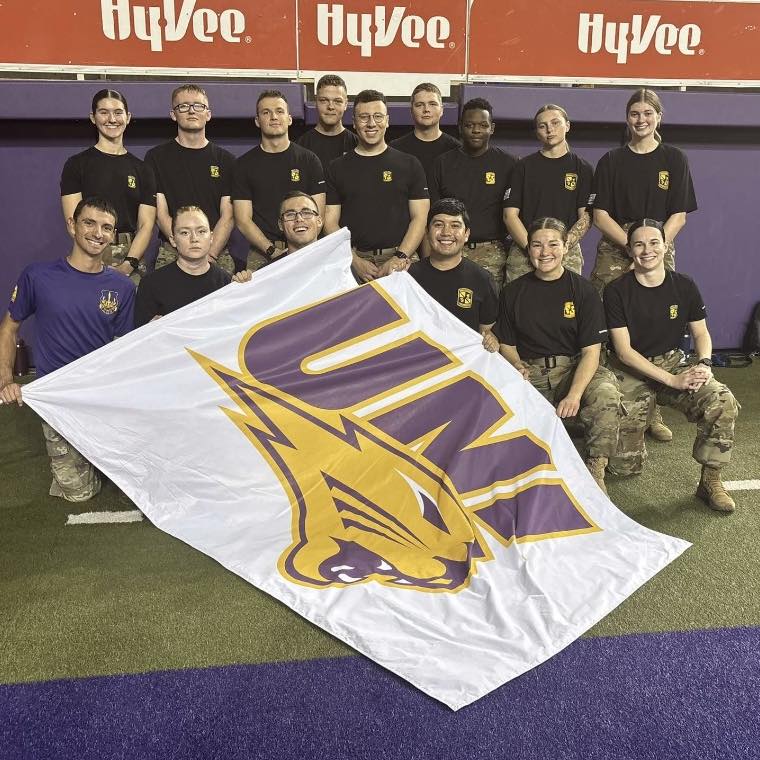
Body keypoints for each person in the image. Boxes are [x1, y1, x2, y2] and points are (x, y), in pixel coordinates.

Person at [0, 197, 135, 501]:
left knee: (128, 486)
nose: (98, 233)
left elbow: (122, 348)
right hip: (57, 399)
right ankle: (80, 466)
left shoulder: (123, 287)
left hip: (101, 398)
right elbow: (8, 328)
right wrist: (6, 380)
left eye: (106, 228)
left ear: (113, 236)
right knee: (78, 494)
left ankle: (97, 457)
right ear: (72, 225)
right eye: (89, 223)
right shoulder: (38, 276)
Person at [604, 220, 739, 512]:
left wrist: (703, 363)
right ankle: (647, 412)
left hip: (672, 361)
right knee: (624, 468)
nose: (647, 250)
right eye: (638, 244)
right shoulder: (616, 291)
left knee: (722, 400)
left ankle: (710, 482)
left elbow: (701, 333)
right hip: (631, 370)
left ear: (666, 246)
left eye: (654, 242)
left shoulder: (685, 285)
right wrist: (671, 381)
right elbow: (624, 352)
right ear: (629, 250)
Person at [591, 88, 697, 443]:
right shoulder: (611, 160)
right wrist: (633, 244)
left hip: (659, 241)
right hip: (618, 243)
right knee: (608, 326)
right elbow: (600, 215)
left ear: (658, 118)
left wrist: (653, 244)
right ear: (627, 118)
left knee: (656, 326)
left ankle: (654, 412)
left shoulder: (675, 158)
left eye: (647, 114)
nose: (641, 120)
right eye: (635, 114)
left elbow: (678, 214)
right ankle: (609, 406)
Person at [494, 217, 621, 494]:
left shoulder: (584, 291)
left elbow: (591, 352)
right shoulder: (512, 292)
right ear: (529, 250)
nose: (545, 252)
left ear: (566, 248)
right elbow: (507, 343)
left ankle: (595, 469)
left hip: (572, 369)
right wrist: (516, 365)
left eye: (553, 244)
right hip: (530, 373)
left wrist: (574, 395)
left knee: (606, 392)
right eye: (537, 245)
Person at [324, 89, 429, 283]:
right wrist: (353, 260)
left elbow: (420, 218)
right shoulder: (336, 167)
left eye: (378, 116)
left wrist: (400, 257)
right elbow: (330, 222)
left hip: (401, 262)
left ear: (387, 120)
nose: (371, 123)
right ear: (354, 122)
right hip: (352, 262)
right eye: (364, 117)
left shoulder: (410, 164)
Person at [60, 89, 156, 284]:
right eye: (104, 112)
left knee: (134, 314)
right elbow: (73, 221)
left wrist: (128, 265)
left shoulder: (143, 169)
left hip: (132, 258)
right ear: (93, 118)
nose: (112, 119)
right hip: (89, 254)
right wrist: (95, 259)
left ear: (128, 117)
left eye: (118, 112)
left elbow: (146, 225)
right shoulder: (76, 164)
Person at [144, 84, 236, 274]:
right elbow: (160, 214)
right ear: (173, 114)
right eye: (183, 106)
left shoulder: (226, 160)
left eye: (198, 106)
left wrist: (208, 255)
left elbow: (228, 215)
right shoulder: (156, 158)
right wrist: (185, 251)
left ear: (208, 113)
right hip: (172, 254)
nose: (191, 111)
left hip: (216, 254)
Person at [232, 90, 325, 272]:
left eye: (279, 111)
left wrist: (298, 246)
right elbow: (243, 219)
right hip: (262, 253)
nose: (274, 117)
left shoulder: (309, 160)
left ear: (289, 118)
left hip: (306, 248)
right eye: (266, 112)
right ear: (258, 121)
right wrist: (272, 250)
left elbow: (317, 213)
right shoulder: (243, 165)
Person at [430, 98, 517, 290]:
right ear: (460, 127)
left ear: (492, 128)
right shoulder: (442, 163)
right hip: (450, 249)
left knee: (490, 313)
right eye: (469, 125)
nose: (476, 130)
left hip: (493, 253)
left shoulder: (509, 164)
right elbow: (432, 216)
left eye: (483, 125)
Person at [504, 104, 593, 280]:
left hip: (567, 251)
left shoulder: (582, 168)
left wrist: (562, 246)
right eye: (542, 126)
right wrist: (532, 247)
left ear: (567, 126)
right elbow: (510, 215)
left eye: (555, 123)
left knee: (567, 305)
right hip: (525, 251)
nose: (549, 130)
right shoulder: (523, 167)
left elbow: (586, 217)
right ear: (537, 132)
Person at [134, 206, 251, 328]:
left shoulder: (227, 283)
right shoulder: (151, 285)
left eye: (201, 231)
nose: (194, 239)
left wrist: (245, 292)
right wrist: (149, 329)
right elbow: (137, 340)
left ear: (211, 237)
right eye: (185, 233)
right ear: (173, 240)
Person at [408, 198, 498, 351]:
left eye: (455, 226)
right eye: (438, 225)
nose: (446, 232)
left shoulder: (483, 279)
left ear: (467, 234)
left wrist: (492, 340)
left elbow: (487, 332)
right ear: (426, 232)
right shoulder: (408, 277)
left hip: (462, 367)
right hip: (418, 363)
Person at [391, 83, 460, 187]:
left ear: (442, 110)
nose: (426, 109)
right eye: (419, 105)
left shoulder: (457, 149)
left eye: (432, 104)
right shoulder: (395, 149)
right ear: (411, 111)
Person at [296, 74, 358, 171]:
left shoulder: (357, 145)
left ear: (345, 104)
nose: (331, 107)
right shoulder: (300, 146)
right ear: (316, 102)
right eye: (324, 100)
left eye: (337, 101)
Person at [276, 191, 324, 255]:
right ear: (280, 225)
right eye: (290, 214)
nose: (299, 219)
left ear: (319, 221)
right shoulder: (274, 265)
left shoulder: (339, 260)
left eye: (306, 213)